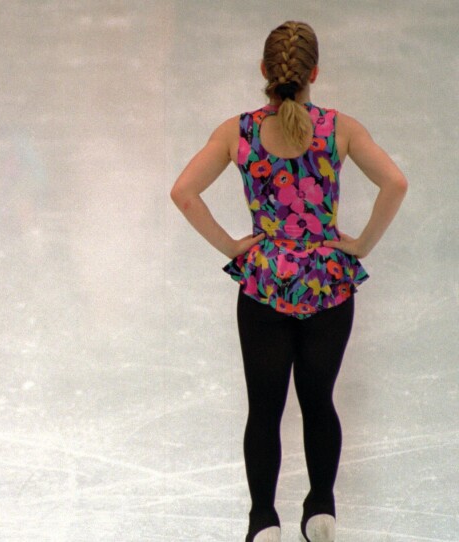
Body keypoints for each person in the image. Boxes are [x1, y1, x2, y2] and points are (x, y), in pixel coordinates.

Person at [170, 21, 407, 542]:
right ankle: (320, 507)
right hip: (327, 282)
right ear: (314, 74)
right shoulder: (340, 128)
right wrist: (362, 244)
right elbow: (395, 181)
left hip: (264, 284)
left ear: (264, 72)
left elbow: (184, 192)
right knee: (319, 400)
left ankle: (262, 520)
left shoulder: (238, 132)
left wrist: (232, 246)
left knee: (265, 407)